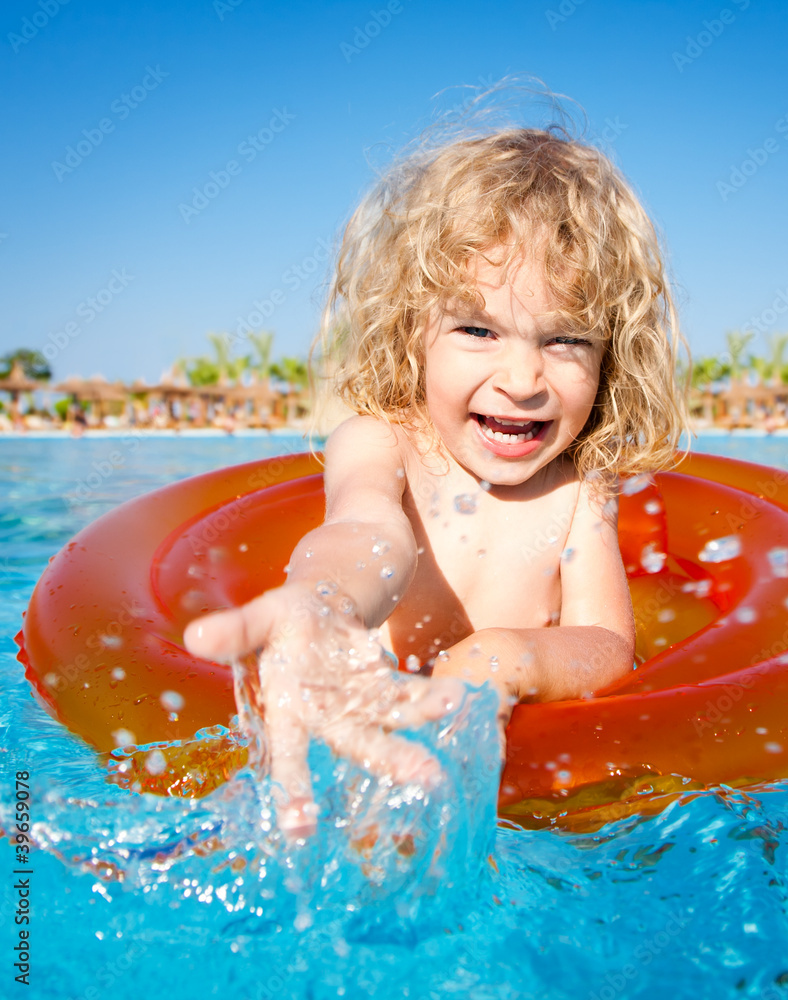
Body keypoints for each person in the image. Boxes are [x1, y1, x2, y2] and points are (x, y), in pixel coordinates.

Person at [184, 125, 688, 837]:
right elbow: (364, 531)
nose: (521, 381)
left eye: (564, 338)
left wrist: (510, 658)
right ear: (410, 328)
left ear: (611, 354)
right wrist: (325, 602)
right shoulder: (380, 443)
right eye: (478, 331)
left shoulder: (582, 490)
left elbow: (606, 644)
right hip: (366, 762)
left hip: (528, 796)